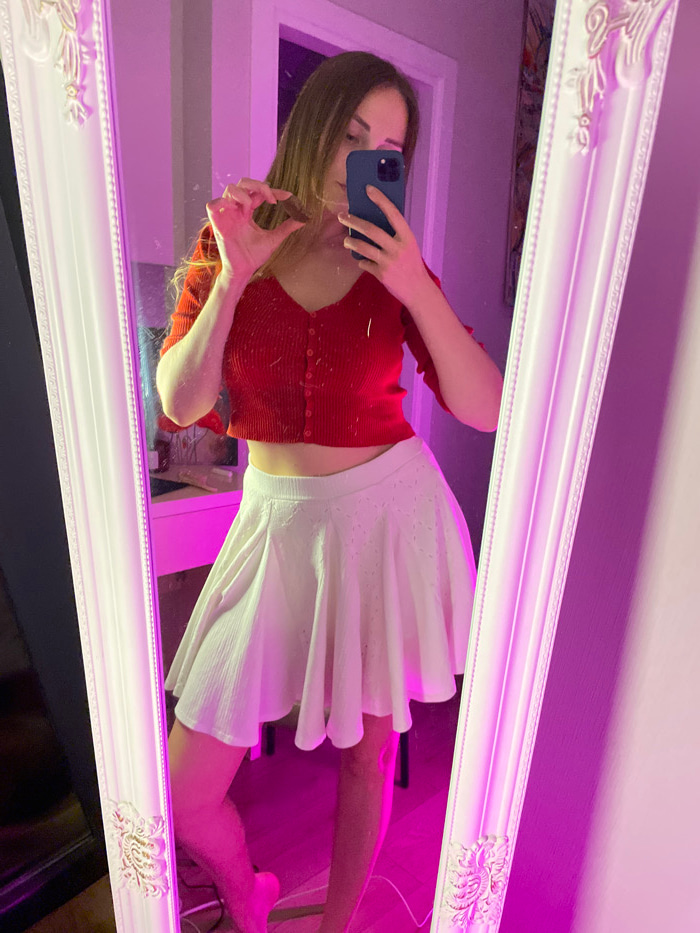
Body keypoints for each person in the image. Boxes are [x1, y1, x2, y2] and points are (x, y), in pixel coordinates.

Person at [156, 51, 503, 933]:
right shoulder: (236, 238)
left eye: (388, 146)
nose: (365, 158)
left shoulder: (394, 263)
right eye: (352, 134)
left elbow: (486, 406)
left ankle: (338, 921)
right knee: (185, 790)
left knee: (366, 755)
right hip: (273, 524)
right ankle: (249, 893)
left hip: (384, 521)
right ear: (310, 124)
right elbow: (181, 401)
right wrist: (234, 276)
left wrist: (414, 284)